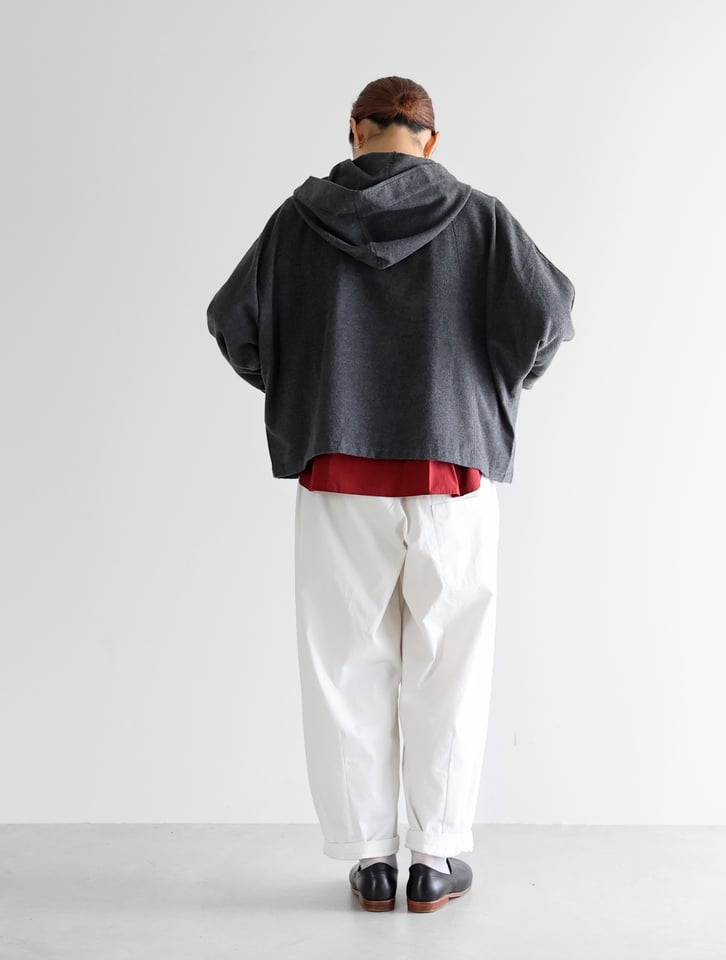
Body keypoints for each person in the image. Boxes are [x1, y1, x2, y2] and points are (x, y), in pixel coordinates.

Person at [206, 75, 576, 913]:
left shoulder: (297, 222)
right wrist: (492, 390)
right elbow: (551, 316)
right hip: (453, 472)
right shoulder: (481, 219)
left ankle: (373, 862)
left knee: (346, 664)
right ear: (429, 141)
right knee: (451, 666)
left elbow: (233, 322)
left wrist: (305, 389)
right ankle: (435, 859)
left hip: (339, 470)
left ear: (355, 131)